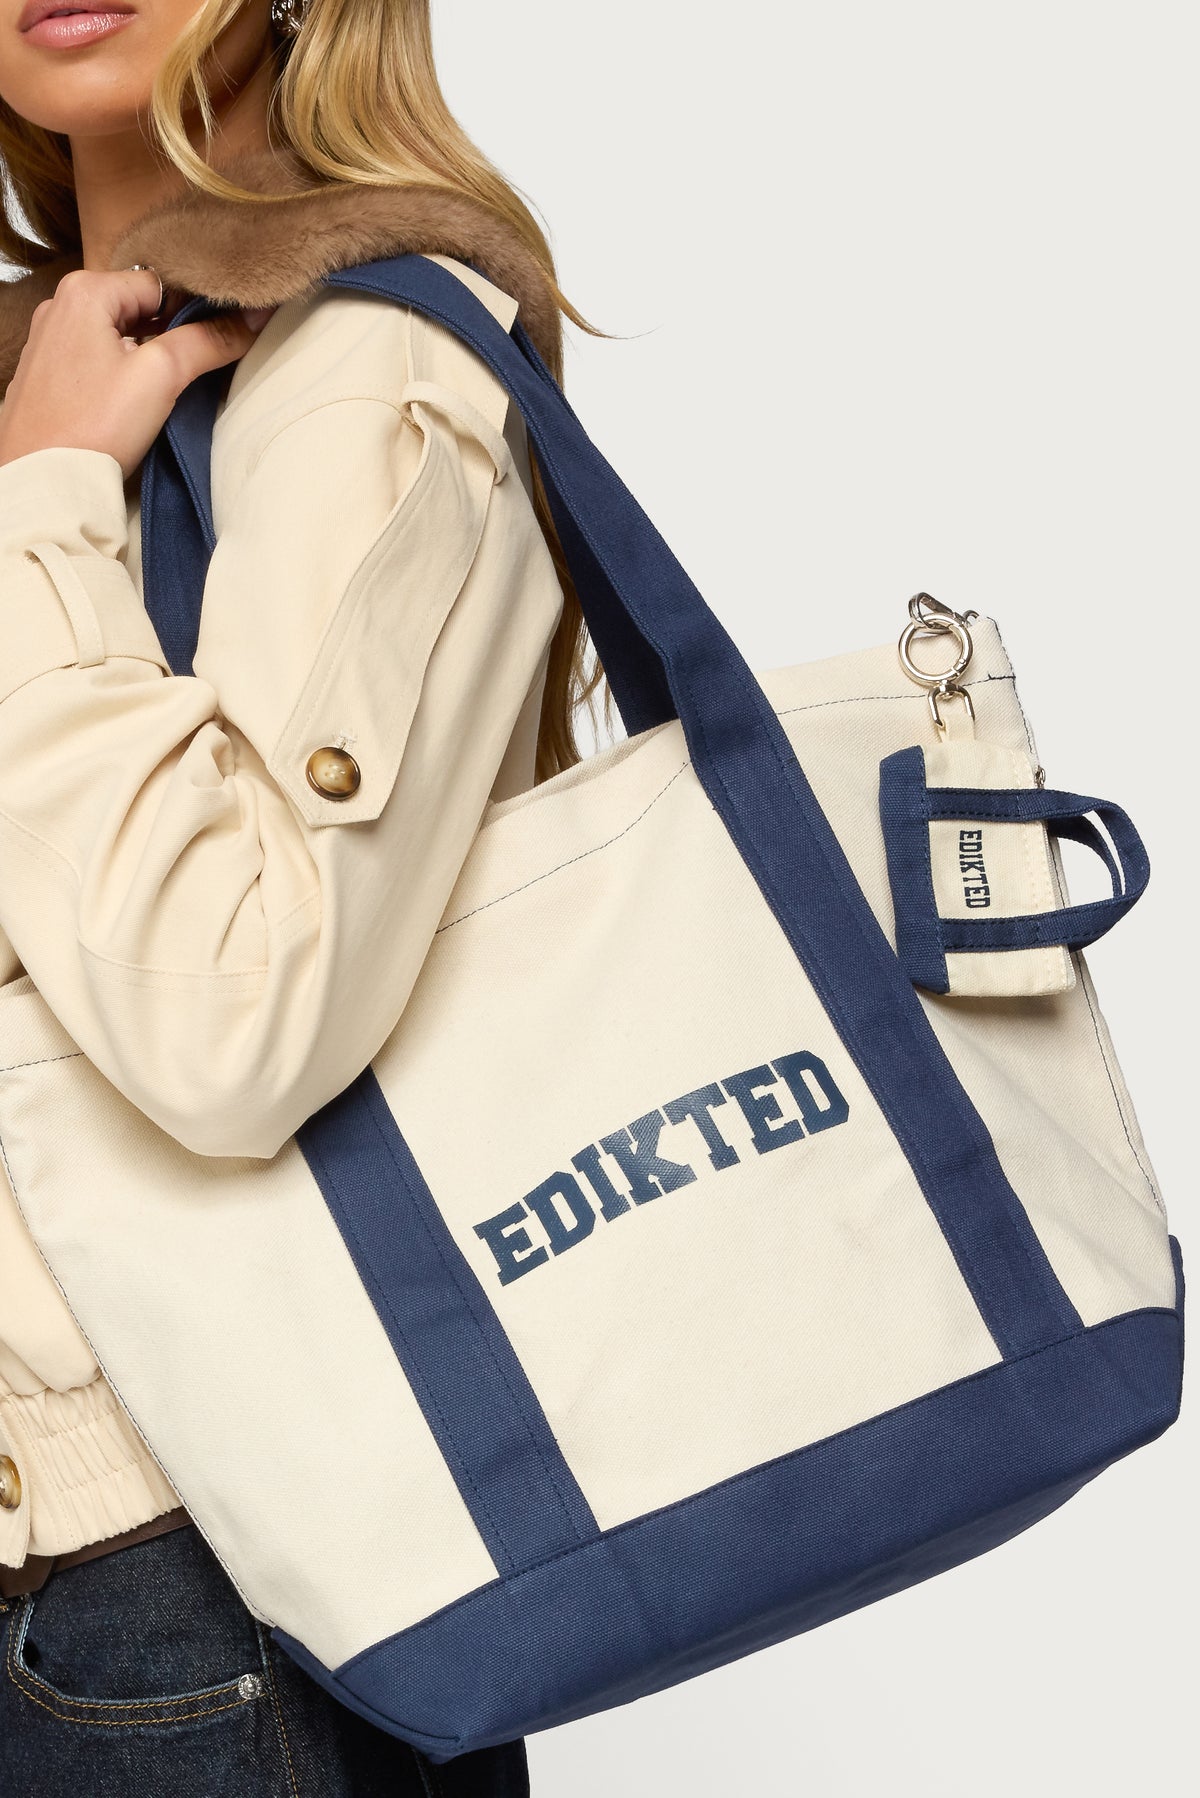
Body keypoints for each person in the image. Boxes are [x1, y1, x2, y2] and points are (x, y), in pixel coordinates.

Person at [0, 1, 606, 1790]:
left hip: (197, 1603)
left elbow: (237, 1013)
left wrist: (45, 505)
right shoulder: (41, 386)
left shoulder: (369, 358)